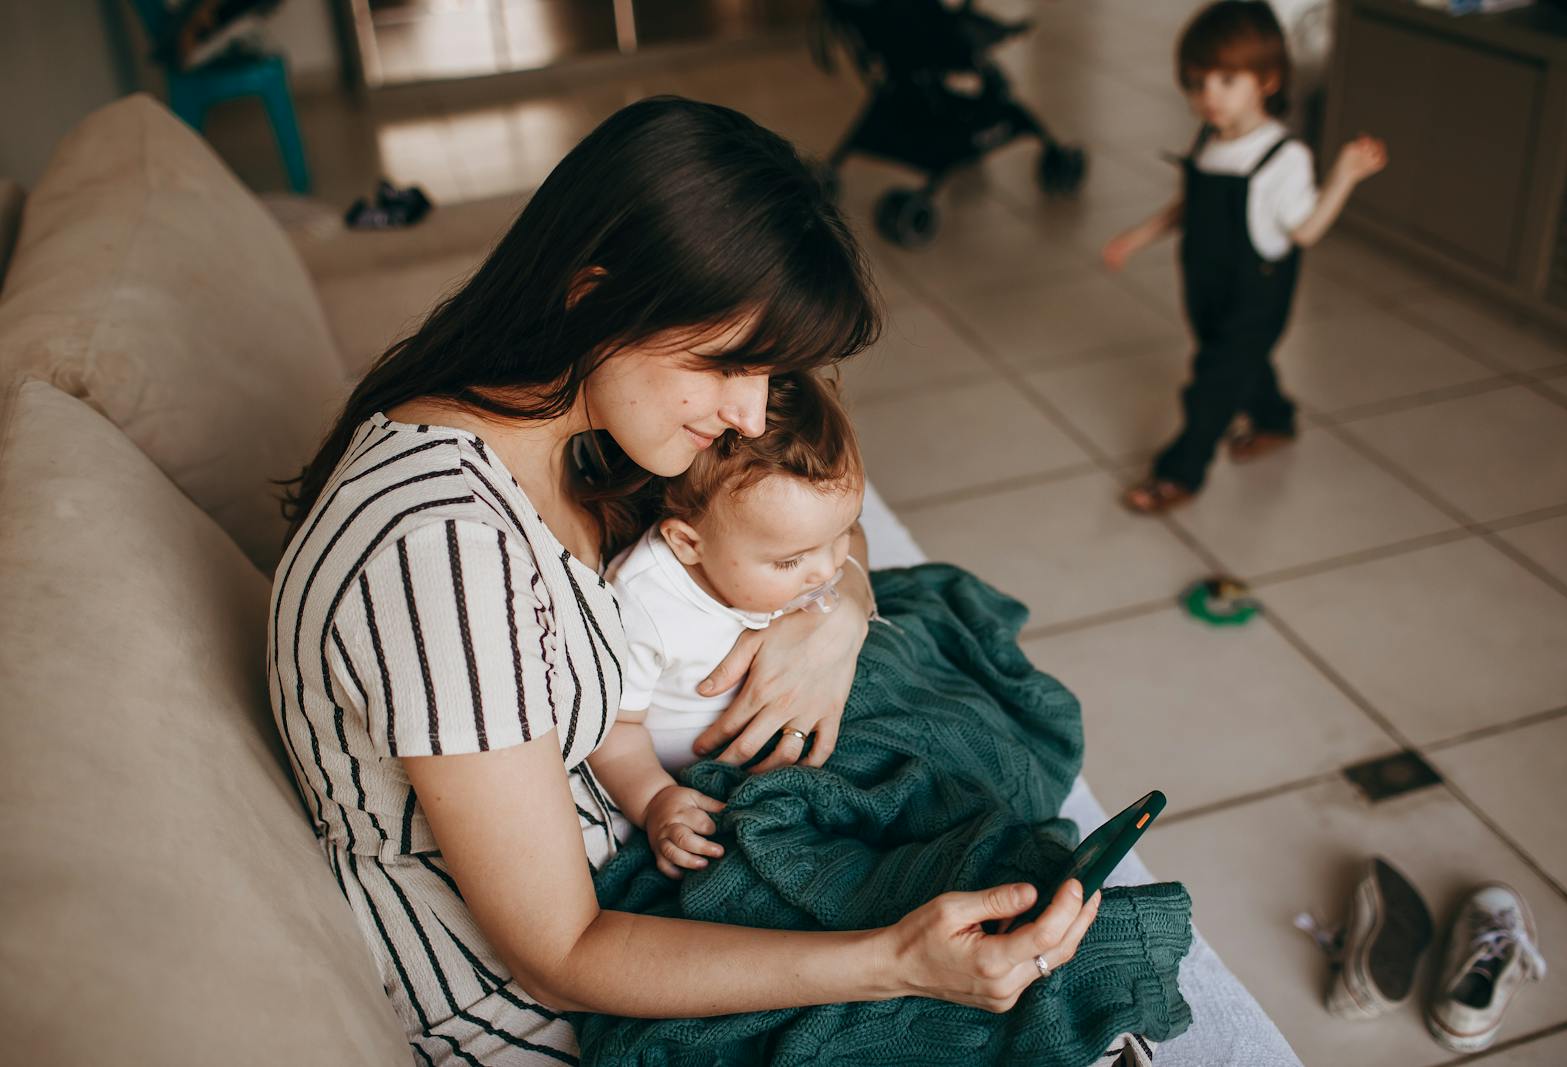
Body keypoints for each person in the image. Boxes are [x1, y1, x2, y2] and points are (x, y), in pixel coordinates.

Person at [269, 96, 1100, 1065]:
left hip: (648, 861)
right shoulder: (439, 550)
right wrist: (893, 963)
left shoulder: (568, 435)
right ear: (593, 295)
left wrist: (837, 613)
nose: (751, 414)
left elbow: (827, 534)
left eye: (770, 372)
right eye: (730, 365)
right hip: (549, 1004)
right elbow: (558, 956)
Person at [1101, 0, 1388, 513]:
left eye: (1227, 80)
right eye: (1196, 82)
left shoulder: (1284, 157)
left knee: (1211, 384)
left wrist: (1343, 175)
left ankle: (1179, 474)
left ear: (1268, 79)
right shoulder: (1210, 139)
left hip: (1256, 295)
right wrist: (1135, 238)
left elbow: (1305, 231)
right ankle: (1275, 420)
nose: (1209, 95)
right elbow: (1188, 207)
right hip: (1205, 285)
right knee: (1237, 362)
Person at [589, 371, 867, 880]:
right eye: (791, 562)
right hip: (705, 776)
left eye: (843, 532)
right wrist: (655, 800)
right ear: (688, 545)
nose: (827, 569)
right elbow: (613, 730)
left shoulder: (782, 546)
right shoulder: (645, 604)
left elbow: (838, 575)